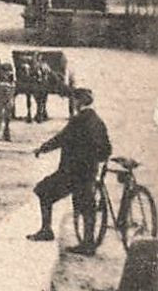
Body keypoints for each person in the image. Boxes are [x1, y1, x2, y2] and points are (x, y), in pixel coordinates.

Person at [29, 87, 112, 251]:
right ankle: (88, 242)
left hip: (72, 172)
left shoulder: (78, 120)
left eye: (74, 100)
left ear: (78, 101)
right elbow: (107, 149)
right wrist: (93, 161)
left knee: (43, 191)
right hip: (89, 171)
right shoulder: (98, 120)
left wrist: (42, 149)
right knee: (86, 205)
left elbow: (60, 139)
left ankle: (47, 230)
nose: (72, 103)